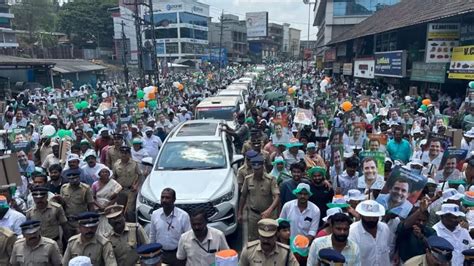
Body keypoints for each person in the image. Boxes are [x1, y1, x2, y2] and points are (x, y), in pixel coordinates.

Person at [239, 155, 280, 241]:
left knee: (269, 237)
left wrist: (269, 210)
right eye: (255, 169)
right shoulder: (248, 179)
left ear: (263, 167)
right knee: (253, 238)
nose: (257, 171)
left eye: (259, 169)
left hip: (268, 214)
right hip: (253, 215)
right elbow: (243, 196)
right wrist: (240, 213)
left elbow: (277, 197)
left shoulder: (271, 179)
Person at [149, 188, 191, 265]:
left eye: (167, 198)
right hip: (160, 254)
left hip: (178, 255)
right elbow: (152, 235)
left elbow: (188, 239)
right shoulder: (155, 214)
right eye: (162, 197)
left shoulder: (183, 216)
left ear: (174, 199)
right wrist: (152, 254)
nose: (164, 200)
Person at [348, 200, 393, 266]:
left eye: (374, 217)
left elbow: (388, 247)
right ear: (361, 215)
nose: (371, 219)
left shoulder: (385, 228)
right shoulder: (352, 231)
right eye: (368, 217)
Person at [396, 198, 437, 263]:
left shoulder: (431, 231)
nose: (421, 223)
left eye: (424, 221)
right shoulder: (405, 229)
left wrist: (422, 237)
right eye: (418, 220)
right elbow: (405, 225)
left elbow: (434, 248)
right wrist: (419, 211)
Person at [59, 171, 95, 242]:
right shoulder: (64, 188)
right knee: (68, 242)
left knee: (81, 241)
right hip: (68, 221)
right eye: (70, 179)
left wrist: (91, 220)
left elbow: (90, 205)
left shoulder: (86, 188)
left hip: (80, 221)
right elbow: (62, 204)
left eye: (75, 178)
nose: (73, 180)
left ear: (79, 178)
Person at [112, 146, 141, 222]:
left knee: (129, 210)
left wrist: (136, 185)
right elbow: (114, 177)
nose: (124, 155)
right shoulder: (116, 164)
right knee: (120, 209)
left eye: (126, 153)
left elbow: (140, 175)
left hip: (130, 190)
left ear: (129, 154)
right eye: (122, 153)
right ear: (119, 154)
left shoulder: (134, 164)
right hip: (120, 190)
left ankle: (132, 225)